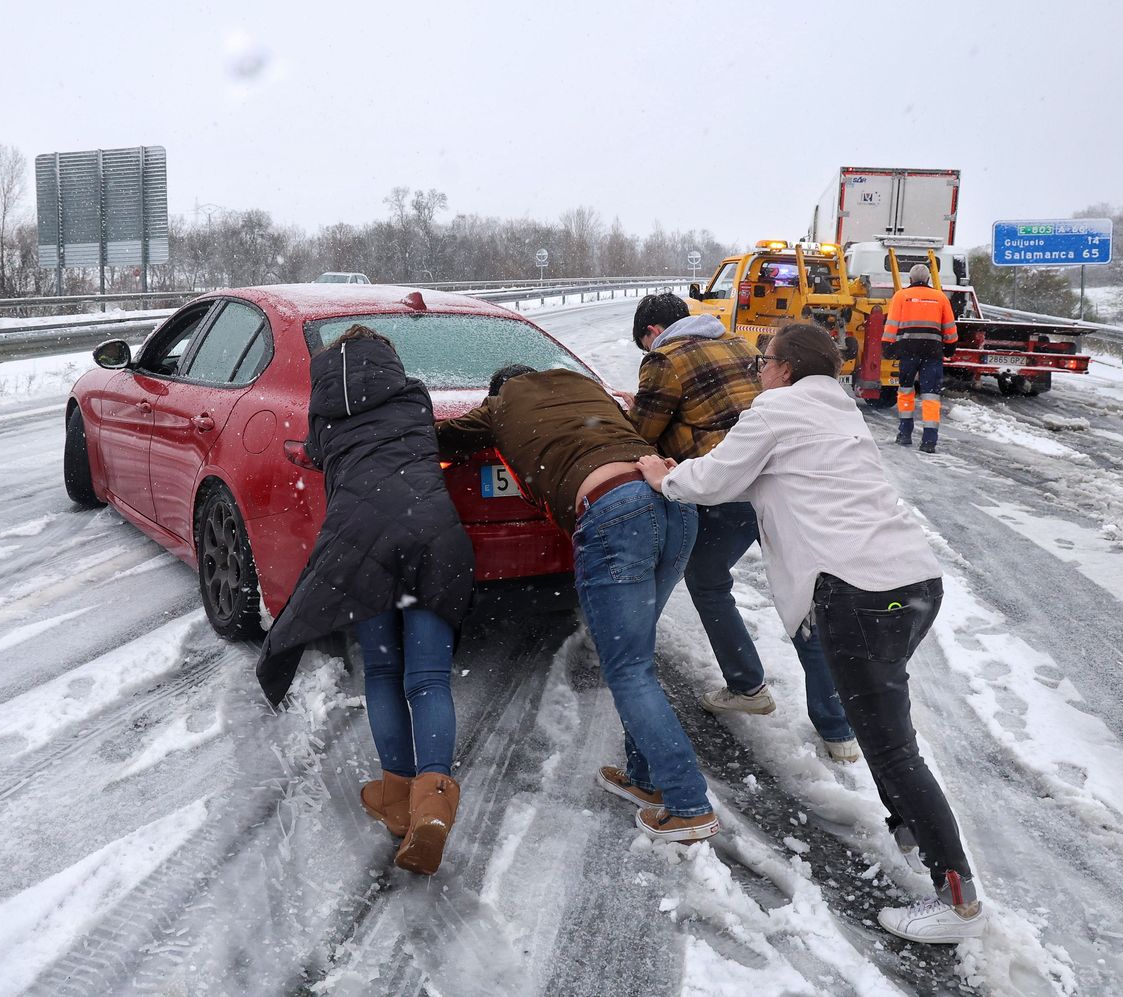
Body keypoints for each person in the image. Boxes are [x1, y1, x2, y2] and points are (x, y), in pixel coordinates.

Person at [637, 322, 988, 944]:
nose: (759, 370)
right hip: (914, 583)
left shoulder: (775, 411)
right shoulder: (838, 411)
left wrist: (663, 477)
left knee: (892, 746)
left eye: (764, 360)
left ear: (786, 368)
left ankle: (956, 899)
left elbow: (713, 482)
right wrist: (689, 473)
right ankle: (910, 825)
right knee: (885, 727)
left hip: (860, 593)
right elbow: (750, 478)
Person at [436, 365, 717, 842]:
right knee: (636, 659)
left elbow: (438, 440)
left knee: (627, 669)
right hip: (674, 502)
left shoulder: (499, 407)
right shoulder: (585, 386)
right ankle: (645, 778)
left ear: (497, 393)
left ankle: (687, 804)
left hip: (615, 511)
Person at [255, 326, 474, 876]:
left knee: (382, 672)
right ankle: (433, 801)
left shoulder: (324, 415)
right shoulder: (414, 398)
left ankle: (397, 796)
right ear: (389, 363)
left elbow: (315, 455)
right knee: (429, 678)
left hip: (359, 542)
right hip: (433, 535)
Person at [626, 293, 859, 762]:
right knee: (801, 595)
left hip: (726, 487)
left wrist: (636, 415)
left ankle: (747, 685)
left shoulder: (664, 359)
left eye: (645, 342)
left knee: (707, 580)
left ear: (652, 332)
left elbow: (643, 432)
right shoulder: (738, 344)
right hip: (775, 482)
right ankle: (837, 729)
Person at [882, 262, 958, 453]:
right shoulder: (940, 297)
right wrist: (950, 348)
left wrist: (888, 347)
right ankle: (929, 441)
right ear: (928, 279)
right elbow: (950, 327)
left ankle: (905, 433)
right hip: (932, 353)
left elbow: (891, 324)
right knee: (931, 395)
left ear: (910, 279)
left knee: (906, 391)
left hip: (908, 352)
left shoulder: (901, 296)